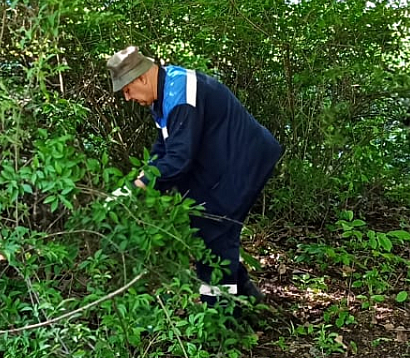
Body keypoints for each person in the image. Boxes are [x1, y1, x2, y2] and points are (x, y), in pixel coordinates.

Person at [107, 45, 282, 306]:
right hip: (223, 161)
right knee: (209, 226)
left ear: (141, 78)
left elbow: (179, 159)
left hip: (244, 160)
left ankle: (219, 315)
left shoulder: (180, 92)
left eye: (127, 90)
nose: (128, 98)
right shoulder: (163, 93)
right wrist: (144, 173)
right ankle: (247, 296)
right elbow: (165, 147)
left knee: (214, 231)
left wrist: (141, 184)